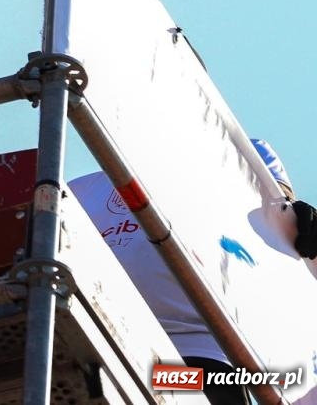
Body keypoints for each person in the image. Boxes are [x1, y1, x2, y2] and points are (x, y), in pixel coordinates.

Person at [72, 139, 317, 405]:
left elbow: (282, 218)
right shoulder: (80, 190)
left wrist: (304, 229)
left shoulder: (225, 147)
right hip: (95, 336)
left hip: (194, 356)